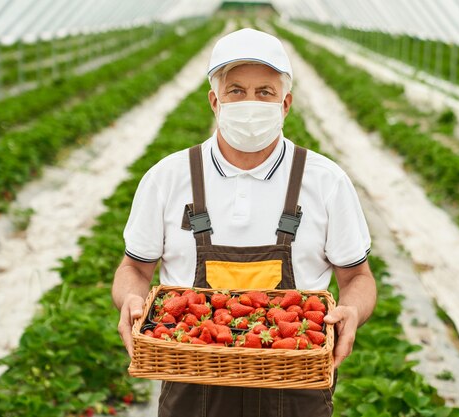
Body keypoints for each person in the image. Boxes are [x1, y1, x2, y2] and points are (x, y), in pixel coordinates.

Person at [112, 28, 377, 417]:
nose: (250, 102)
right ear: (214, 100)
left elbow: (358, 278)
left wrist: (352, 311)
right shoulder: (167, 178)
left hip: (294, 384)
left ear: (285, 103)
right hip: (191, 382)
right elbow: (134, 267)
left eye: (265, 92)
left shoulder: (325, 181)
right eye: (236, 90)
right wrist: (131, 299)